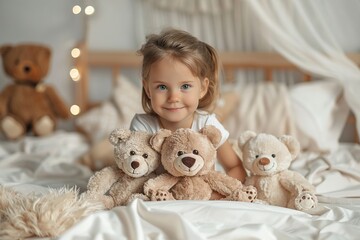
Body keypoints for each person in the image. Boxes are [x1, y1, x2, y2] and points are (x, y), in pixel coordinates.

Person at [130, 28, 247, 183]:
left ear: (203, 88)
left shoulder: (207, 124)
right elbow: (134, 176)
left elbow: (235, 168)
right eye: (162, 87)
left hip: (203, 199)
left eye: (185, 86)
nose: (173, 97)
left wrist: (217, 194)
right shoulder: (143, 127)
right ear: (147, 89)